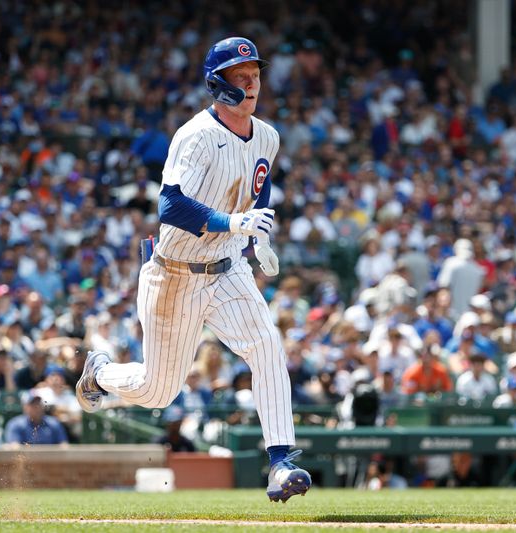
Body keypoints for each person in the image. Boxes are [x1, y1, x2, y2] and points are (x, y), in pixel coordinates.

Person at [75, 37, 310, 502]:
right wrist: (233, 222)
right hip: (174, 273)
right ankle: (99, 373)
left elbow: (256, 192)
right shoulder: (195, 135)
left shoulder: (267, 136)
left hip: (227, 268)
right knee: (159, 390)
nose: (251, 84)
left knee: (267, 347)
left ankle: (281, 462)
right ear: (217, 84)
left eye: (255, 75)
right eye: (240, 77)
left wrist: (254, 236)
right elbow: (170, 205)